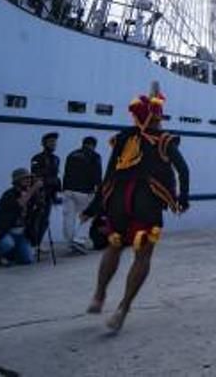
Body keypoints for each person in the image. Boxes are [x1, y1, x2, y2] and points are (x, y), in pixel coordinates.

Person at [81, 84, 189, 332]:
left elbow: (108, 175)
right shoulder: (165, 140)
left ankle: (99, 295)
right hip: (146, 201)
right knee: (142, 255)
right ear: (154, 117)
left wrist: (95, 207)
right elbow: (183, 169)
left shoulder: (123, 138)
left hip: (119, 199)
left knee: (114, 245)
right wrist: (183, 198)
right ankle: (122, 309)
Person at [0, 168, 43, 267]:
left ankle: (12, 255)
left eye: (29, 178)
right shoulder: (8, 194)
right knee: (7, 244)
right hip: (6, 232)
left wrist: (38, 194)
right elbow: (20, 204)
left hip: (21, 233)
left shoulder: (30, 194)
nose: (28, 180)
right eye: (25, 178)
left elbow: (38, 208)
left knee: (27, 260)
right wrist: (33, 189)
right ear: (17, 181)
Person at [62, 136, 102, 253]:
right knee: (89, 214)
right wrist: (98, 189)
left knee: (69, 216)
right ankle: (79, 240)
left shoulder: (71, 154)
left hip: (68, 190)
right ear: (93, 145)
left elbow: (66, 172)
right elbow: (97, 175)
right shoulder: (95, 156)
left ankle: (70, 242)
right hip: (84, 191)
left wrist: (64, 189)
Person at [30, 131, 61, 251]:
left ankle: (37, 243)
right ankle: (33, 244)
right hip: (39, 194)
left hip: (50, 193)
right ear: (44, 144)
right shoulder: (37, 158)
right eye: (51, 142)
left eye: (54, 142)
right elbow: (36, 175)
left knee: (44, 220)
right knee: (36, 220)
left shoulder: (56, 159)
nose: (54, 144)